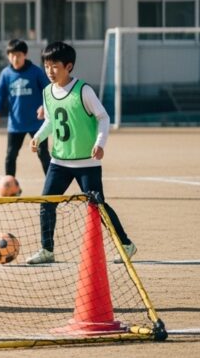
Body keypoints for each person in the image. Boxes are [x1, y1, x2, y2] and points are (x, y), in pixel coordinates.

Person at [28, 41, 136, 265]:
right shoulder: (47, 91)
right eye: (46, 65)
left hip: (87, 162)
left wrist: (100, 143)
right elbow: (50, 121)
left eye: (55, 66)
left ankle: (126, 244)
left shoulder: (83, 90)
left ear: (69, 66)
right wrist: (38, 136)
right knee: (47, 204)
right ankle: (47, 250)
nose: (49, 71)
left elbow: (103, 117)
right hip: (59, 161)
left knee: (98, 206)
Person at [0, 38, 51, 177]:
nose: (15, 58)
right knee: (10, 155)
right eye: (12, 55)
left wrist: (44, 106)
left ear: (25, 55)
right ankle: (10, 184)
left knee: (43, 155)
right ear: (8, 56)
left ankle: (52, 185)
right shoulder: (6, 74)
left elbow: (48, 91)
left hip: (37, 123)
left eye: (18, 55)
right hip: (16, 124)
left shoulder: (36, 72)